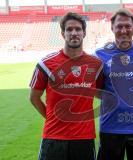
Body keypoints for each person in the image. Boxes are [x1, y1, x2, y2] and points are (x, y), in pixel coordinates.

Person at [29, 12, 102, 160]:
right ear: (63, 34)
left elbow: (99, 93)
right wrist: (51, 118)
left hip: (84, 138)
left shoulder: (96, 64)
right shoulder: (46, 63)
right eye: (69, 29)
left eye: (77, 29)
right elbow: (34, 98)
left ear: (84, 33)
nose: (73, 33)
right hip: (54, 136)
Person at [95, 8, 133, 160]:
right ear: (112, 28)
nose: (123, 30)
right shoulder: (100, 54)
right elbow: (96, 90)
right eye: (119, 26)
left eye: (127, 26)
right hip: (110, 127)